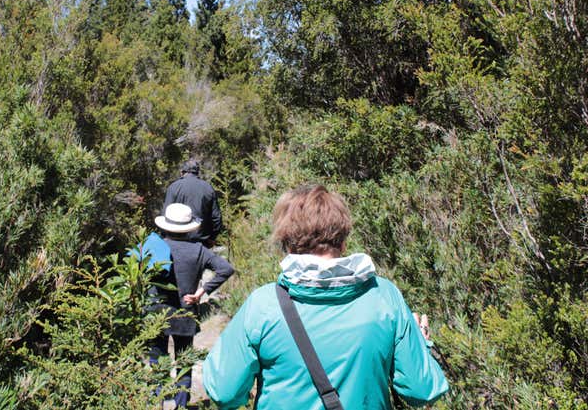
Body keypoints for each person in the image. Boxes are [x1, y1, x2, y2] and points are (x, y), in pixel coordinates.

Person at [202, 185, 449, 409]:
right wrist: (421, 344)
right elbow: (422, 391)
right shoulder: (384, 296)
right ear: (342, 241)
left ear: (288, 243)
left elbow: (225, 392)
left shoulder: (263, 304)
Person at [148, 203, 235, 408]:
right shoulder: (198, 250)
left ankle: (158, 401)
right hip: (185, 313)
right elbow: (226, 269)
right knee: (185, 361)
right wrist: (201, 292)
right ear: (189, 227)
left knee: (158, 360)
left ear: (166, 225)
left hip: (156, 312)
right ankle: (181, 404)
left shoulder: (154, 246)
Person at [163, 160, 223, 246]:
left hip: (176, 241)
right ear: (197, 172)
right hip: (201, 243)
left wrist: (164, 235)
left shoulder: (173, 187)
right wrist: (212, 237)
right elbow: (216, 218)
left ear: (182, 172)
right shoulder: (208, 188)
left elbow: (165, 214)